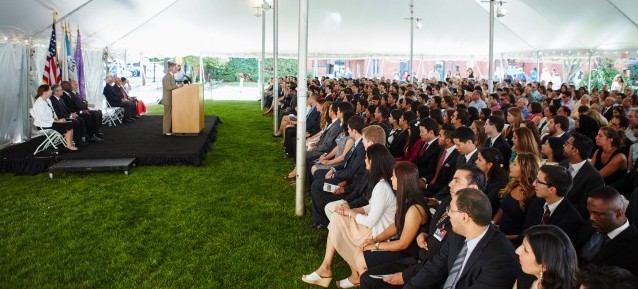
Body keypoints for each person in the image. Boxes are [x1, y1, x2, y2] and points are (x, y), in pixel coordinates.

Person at [360, 165, 486, 289]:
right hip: (418, 260)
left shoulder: (465, 224)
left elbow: (440, 264)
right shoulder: (449, 201)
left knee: (368, 279)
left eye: (457, 181)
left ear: (473, 188)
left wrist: (405, 276)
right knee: (367, 278)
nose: (450, 184)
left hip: (425, 270)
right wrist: (424, 233)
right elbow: (433, 222)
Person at [302, 144, 397, 288]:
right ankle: (329, 268)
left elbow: (371, 221)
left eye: (366, 158)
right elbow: (371, 207)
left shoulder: (381, 187)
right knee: (338, 218)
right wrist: (352, 210)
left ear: (373, 162)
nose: (365, 160)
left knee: (338, 220)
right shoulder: (381, 183)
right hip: (375, 227)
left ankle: (337, 270)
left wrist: (350, 213)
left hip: (378, 233)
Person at [403, 188, 519, 289]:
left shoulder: (501, 259)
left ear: (464, 217)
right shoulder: (457, 234)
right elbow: (434, 268)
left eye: (451, 210)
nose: (448, 214)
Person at [354, 162, 428, 284]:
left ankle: (367, 282)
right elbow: (396, 224)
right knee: (360, 251)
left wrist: (376, 246)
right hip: (403, 248)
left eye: (393, 176)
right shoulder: (406, 199)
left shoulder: (414, 209)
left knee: (361, 258)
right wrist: (375, 239)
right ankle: (365, 281)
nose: (391, 178)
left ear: (402, 181)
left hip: (409, 256)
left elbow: (403, 244)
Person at [309, 116, 366, 229]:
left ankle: (320, 221)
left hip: (347, 182)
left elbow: (350, 172)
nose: (347, 131)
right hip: (343, 177)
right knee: (318, 174)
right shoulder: (357, 143)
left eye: (349, 129)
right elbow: (346, 162)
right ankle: (319, 211)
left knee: (316, 185)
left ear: (354, 131)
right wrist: (333, 169)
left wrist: (334, 174)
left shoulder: (361, 148)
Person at [574, 187, 638, 275]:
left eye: (598, 214)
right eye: (589, 212)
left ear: (618, 214)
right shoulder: (587, 226)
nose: (591, 218)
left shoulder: (634, 245)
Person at [523, 165, 583, 241]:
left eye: (538, 181)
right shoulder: (537, 201)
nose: (534, 184)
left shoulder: (571, 219)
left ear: (552, 189)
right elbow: (525, 231)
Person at [514, 225, 578, 289]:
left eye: (525, 250)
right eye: (522, 244)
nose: (517, 251)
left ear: (545, 265)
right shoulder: (525, 275)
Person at [493, 152, 539, 239]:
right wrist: (492, 224)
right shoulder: (513, 185)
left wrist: (504, 238)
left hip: (514, 241)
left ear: (525, 169)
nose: (510, 166)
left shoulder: (534, 194)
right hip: (500, 234)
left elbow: (528, 231)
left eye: (515, 164)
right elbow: (502, 209)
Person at [560, 133, 605, 219]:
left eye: (566, 144)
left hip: (570, 218)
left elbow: (583, 208)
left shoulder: (594, 177)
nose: (563, 145)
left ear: (575, 150)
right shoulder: (563, 164)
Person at [32, 84, 79, 151]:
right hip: (44, 124)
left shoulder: (48, 100)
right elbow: (44, 118)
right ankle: (69, 145)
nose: (51, 91)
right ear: (45, 92)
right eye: (50, 90)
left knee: (69, 122)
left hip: (50, 122)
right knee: (69, 125)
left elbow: (53, 112)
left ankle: (69, 143)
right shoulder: (40, 103)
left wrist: (58, 119)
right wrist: (58, 121)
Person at [475, 147, 509, 217]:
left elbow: (485, 204)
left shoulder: (499, 184)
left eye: (479, 160)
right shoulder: (481, 175)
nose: (476, 162)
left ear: (489, 164)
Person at [161, 62, 182, 136]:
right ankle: (166, 131)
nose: (177, 69)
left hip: (171, 98)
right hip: (168, 99)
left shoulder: (171, 76)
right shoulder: (167, 77)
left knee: (170, 115)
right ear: (170, 68)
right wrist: (178, 86)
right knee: (167, 116)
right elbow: (168, 87)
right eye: (175, 67)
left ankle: (169, 130)